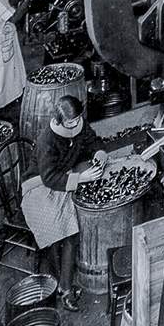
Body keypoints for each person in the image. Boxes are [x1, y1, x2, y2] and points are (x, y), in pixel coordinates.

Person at [20, 95, 105, 311]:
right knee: (65, 233)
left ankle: (63, 279)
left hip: (65, 178)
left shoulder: (79, 124)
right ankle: (64, 289)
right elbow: (49, 178)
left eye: (77, 119)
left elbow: (93, 141)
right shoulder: (47, 140)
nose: (75, 125)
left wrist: (100, 154)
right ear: (59, 120)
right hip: (39, 187)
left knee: (71, 224)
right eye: (70, 122)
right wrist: (81, 178)